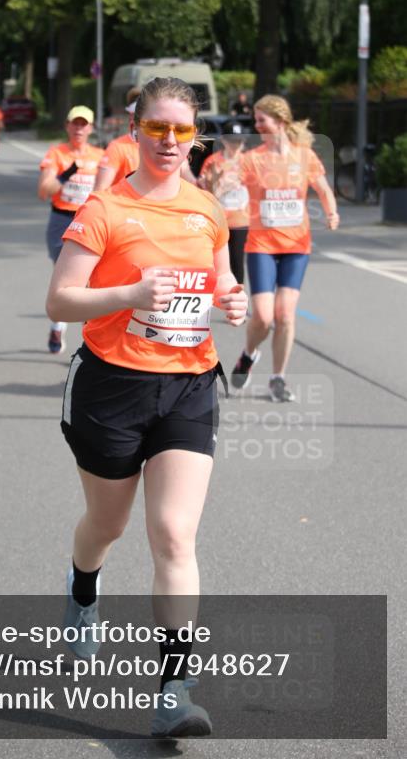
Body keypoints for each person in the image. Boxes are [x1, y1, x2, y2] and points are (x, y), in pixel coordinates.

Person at [46, 77, 247, 738]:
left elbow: (219, 282)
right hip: (111, 387)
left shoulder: (207, 209)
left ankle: (173, 690)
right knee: (107, 526)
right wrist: (130, 293)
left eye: (181, 131)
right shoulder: (104, 209)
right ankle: (82, 585)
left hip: (187, 385)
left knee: (173, 535)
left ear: (195, 137)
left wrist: (232, 301)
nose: (168, 141)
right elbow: (61, 301)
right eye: (156, 128)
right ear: (135, 130)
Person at [230, 94, 339, 401]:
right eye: (255, 119)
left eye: (260, 119)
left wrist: (331, 212)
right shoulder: (252, 159)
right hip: (262, 245)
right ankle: (248, 355)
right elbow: (228, 184)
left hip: (296, 246)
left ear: (279, 121)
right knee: (263, 316)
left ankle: (278, 378)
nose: (256, 124)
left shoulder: (305, 157)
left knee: (286, 315)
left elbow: (324, 189)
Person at [38, 105, 104, 354]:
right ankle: (58, 324)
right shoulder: (57, 153)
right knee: (66, 278)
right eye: (75, 123)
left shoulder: (101, 156)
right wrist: (66, 175)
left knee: (91, 280)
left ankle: (92, 338)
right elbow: (44, 190)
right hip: (61, 221)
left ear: (91, 128)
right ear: (67, 126)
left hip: (90, 222)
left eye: (83, 124)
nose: (79, 128)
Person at [198, 120, 249, 285]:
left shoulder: (248, 161)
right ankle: (213, 295)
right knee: (215, 262)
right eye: (232, 141)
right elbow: (205, 190)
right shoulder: (213, 161)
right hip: (218, 220)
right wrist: (216, 183)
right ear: (224, 141)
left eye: (239, 141)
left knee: (236, 259)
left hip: (240, 219)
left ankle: (238, 297)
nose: (236, 145)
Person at [93, 89, 141, 192]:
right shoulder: (117, 147)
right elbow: (100, 189)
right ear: (130, 116)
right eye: (135, 114)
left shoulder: (164, 145)